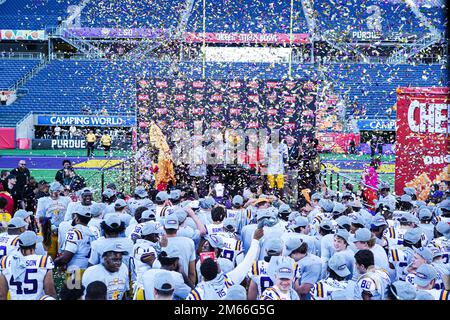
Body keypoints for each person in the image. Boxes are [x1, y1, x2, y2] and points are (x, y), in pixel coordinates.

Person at [0, 231, 56, 300]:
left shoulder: (5, 261)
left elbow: (2, 295)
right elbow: (50, 292)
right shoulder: (43, 261)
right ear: (35, 245)